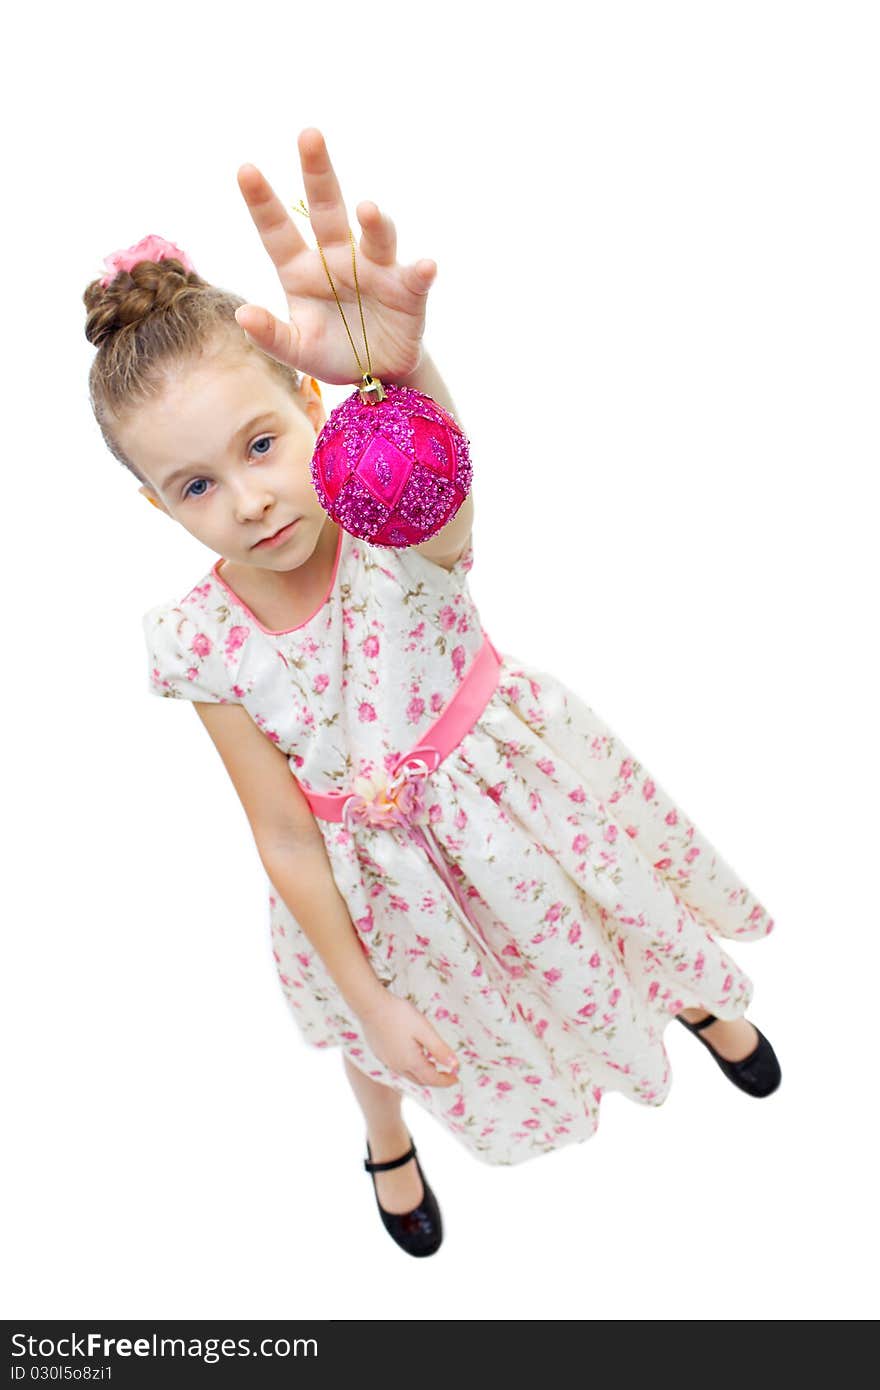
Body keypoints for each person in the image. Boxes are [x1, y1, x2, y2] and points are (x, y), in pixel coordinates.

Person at [83, 127, 781, 1260]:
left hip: (525, 819)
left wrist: (401, 372)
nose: (251, 501)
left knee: (604, 914)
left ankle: (689, 999)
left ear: (311, 403)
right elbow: (284, 837)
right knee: (390, 1045)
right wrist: (369, 998)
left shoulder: (380, 509)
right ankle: (383, 1137)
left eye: (262, 443)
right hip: (376, 901)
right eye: (197, 484)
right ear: (163, 509)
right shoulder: (200, 642)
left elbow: (444, 486)